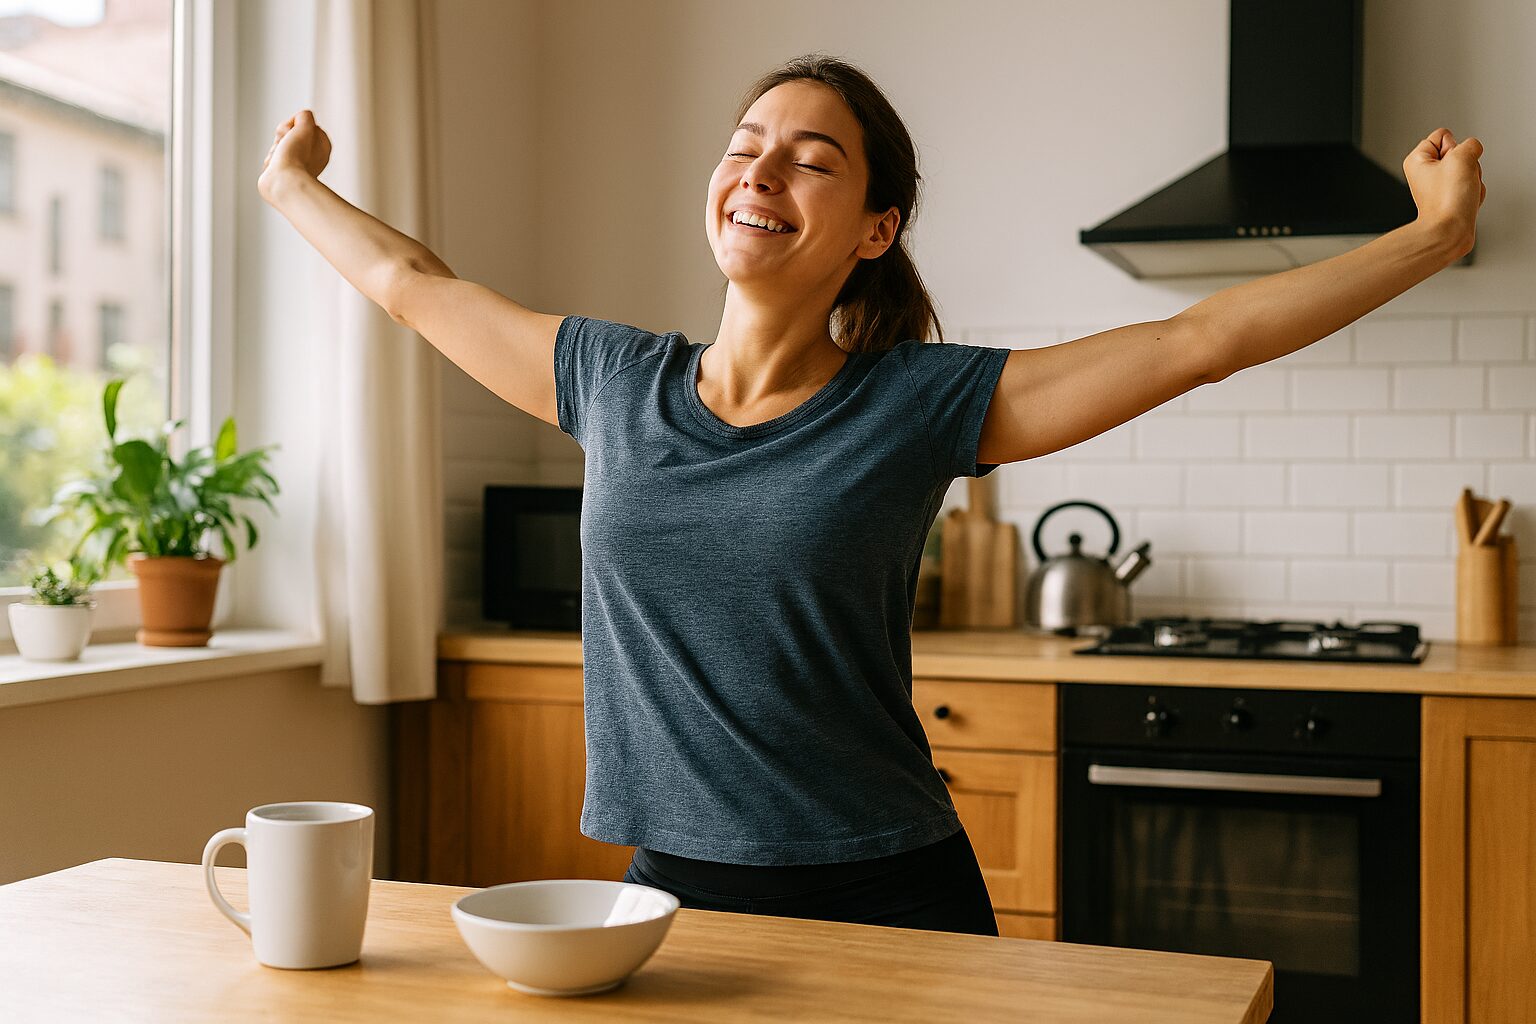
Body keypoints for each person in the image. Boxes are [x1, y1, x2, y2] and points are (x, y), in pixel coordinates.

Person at [259, 53, 1485, 937]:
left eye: (811, 159)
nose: (761, 170)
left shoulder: (917, 403)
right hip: (669, 887)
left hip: (886, 887)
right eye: (744, 146)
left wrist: (1426, 240)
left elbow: (1194, 342)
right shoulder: (610, 377)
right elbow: (414, 283)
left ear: (873, 226)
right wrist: (293, 186)